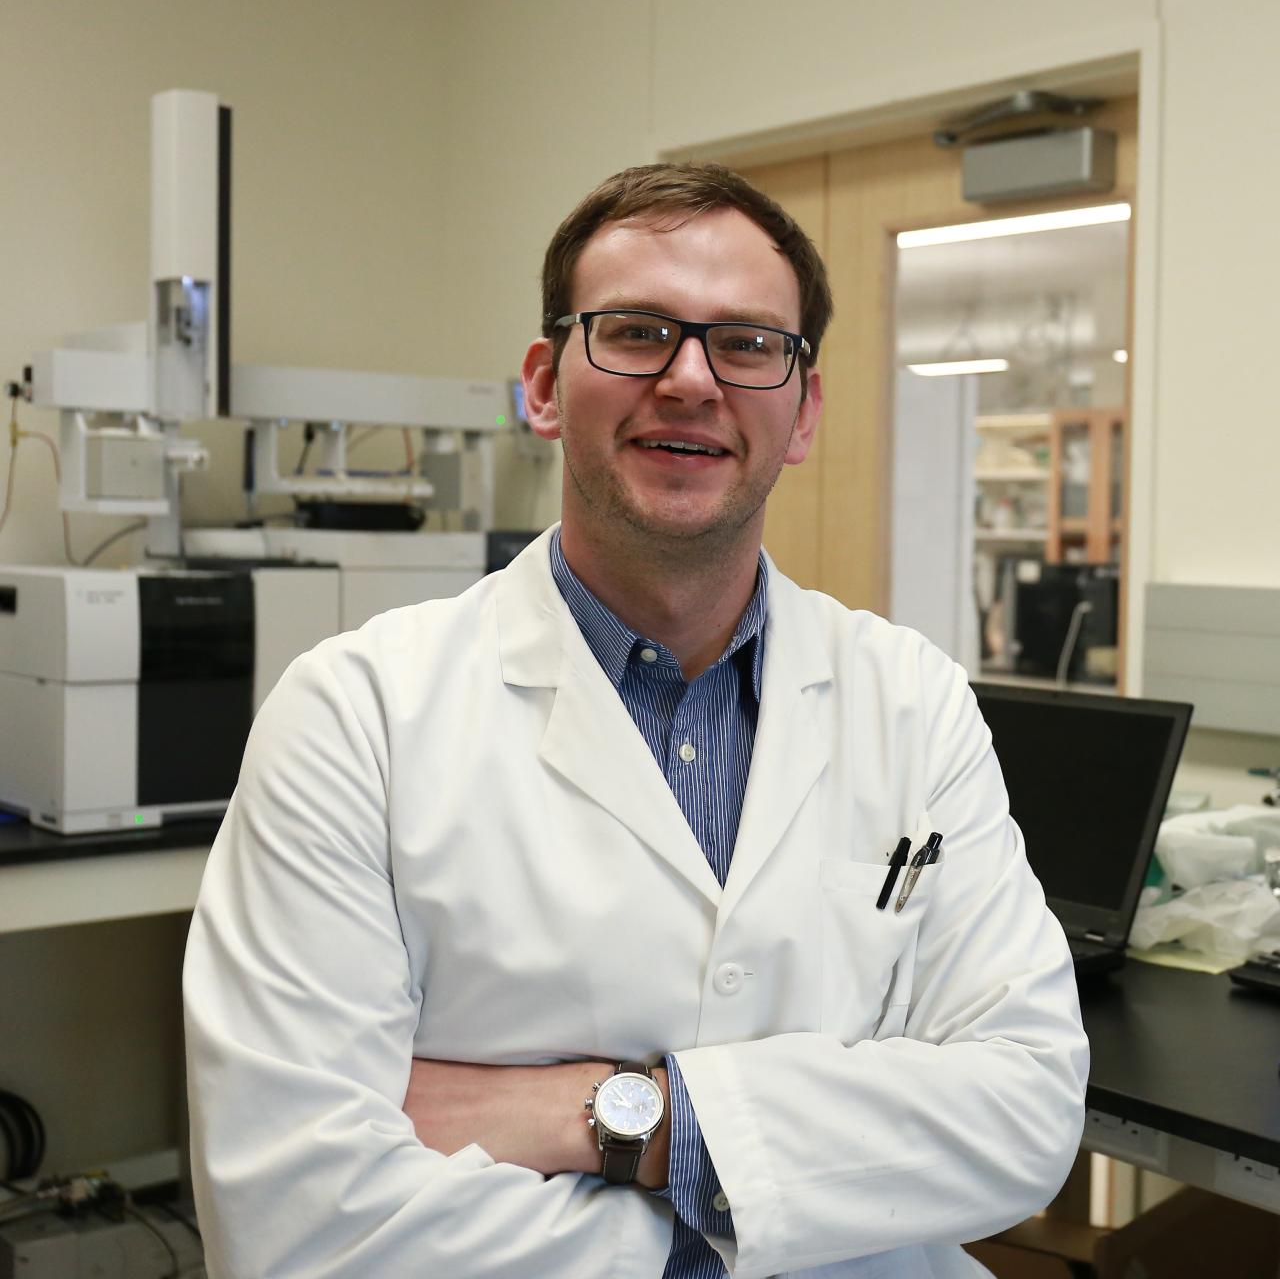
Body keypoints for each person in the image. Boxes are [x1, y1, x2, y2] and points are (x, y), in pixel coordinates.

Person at [184, 163, 1088, 1279]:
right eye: (636, 330)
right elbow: (295, 1224)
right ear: (544, 385)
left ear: (802, 410)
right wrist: (770, 1210)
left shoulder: (912, 698)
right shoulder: (352, 717)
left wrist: (612, 1116)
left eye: (748, 344)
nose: (691, 379)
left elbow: (1025, 1108)